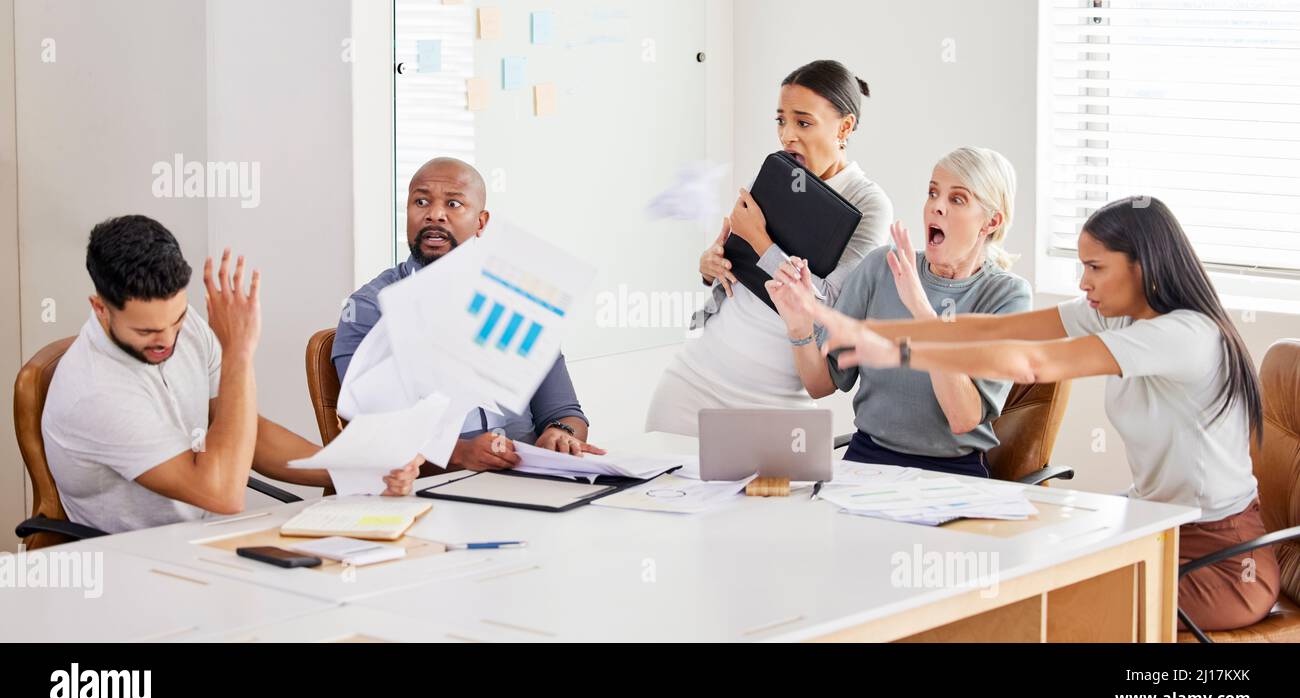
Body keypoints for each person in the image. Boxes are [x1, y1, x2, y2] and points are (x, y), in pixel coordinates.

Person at [796, 196, 1280, 631]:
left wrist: (902, 354)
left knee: (1069, 610)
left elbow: (1034, 361)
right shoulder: (1119, 312)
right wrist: (876, 330)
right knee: (1020, 583)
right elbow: (997, 331)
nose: (1083, 282)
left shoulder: (1186, 336)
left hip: (1224, 560)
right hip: (1158, 527)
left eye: (1095, 267)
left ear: (1144, 269)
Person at [42, 215, 423, 534]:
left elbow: (243, 432)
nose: (167, 339)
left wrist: (361, 469)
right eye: (145, 332)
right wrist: (238, 350)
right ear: (99, 309)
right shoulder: (95, 392)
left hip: (202, 542)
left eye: (175, 319)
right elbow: (223, 493)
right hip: (134, 563)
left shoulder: (185, 327)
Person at [646, 59, 894, 436]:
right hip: (693, 383)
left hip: (777, 402)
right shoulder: (777, 176)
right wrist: (711, 264)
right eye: (781, 121)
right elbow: (738, 275)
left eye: (803, 122)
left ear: (845, 126)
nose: (787, 135)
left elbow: (828, 304)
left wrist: (762, 241)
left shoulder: (869, 204)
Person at [768, 147, 1031, 476]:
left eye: (957, 199)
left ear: (990, 222)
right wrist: (799, 327)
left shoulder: (1006, 295)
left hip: (954, 473)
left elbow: (963, 417)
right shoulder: (882, 266)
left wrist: (922, 311)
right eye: (933, 193)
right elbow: (821, 384)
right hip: (868, 459)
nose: (937, 205)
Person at [333, 157, 602, 472]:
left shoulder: (516, 300)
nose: (434, 214)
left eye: (453, 203)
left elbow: (565, 411)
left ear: (481, 222)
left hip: (526, 479)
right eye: (421, 202)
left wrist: (561, 434)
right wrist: (459, 453)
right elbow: (373, 433)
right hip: (428, 487)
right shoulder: (370, 309)